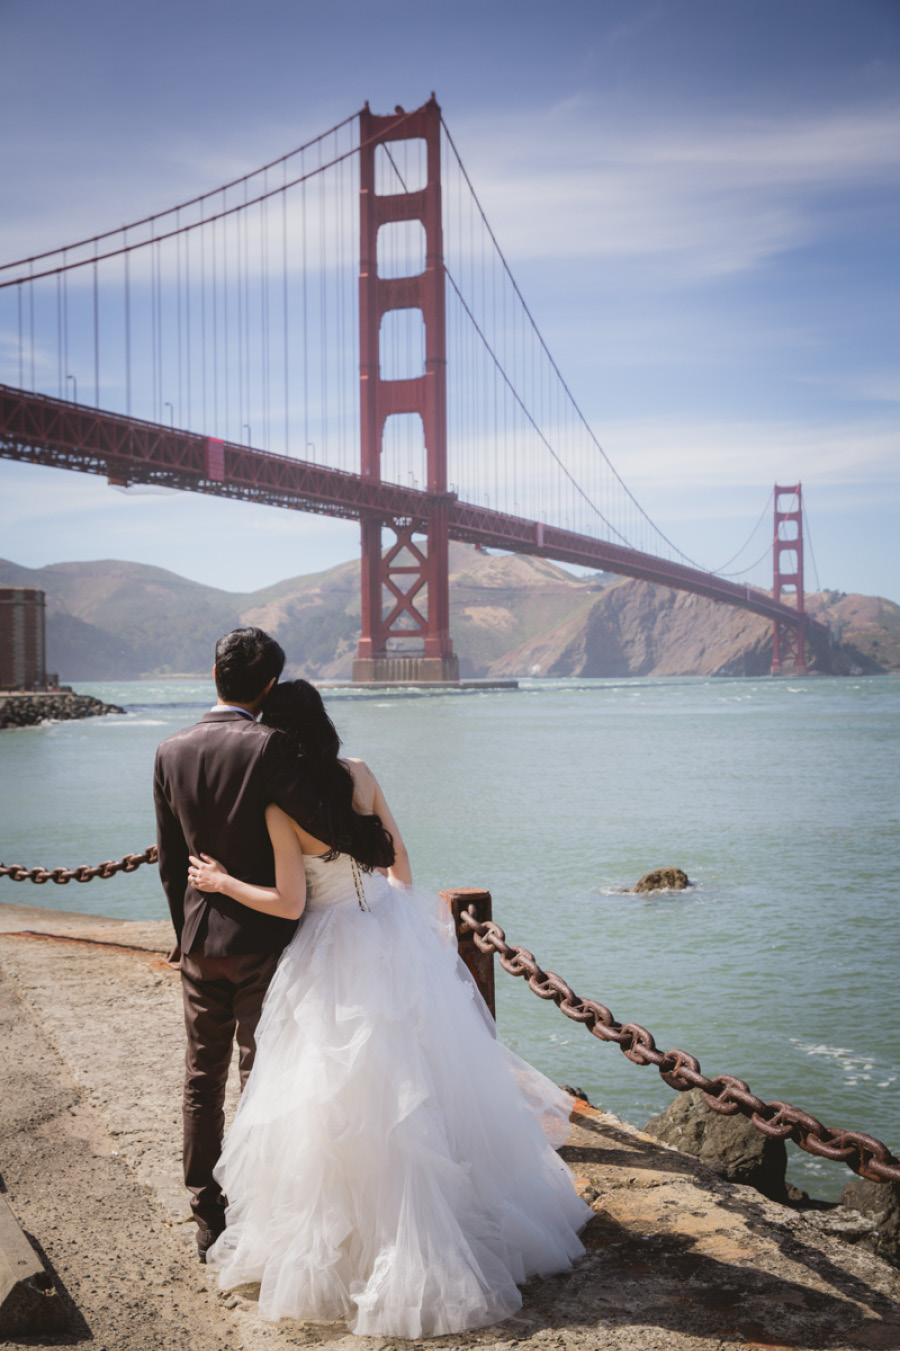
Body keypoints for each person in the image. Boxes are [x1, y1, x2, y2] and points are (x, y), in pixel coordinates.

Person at [187, 678, 592, 1338]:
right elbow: (400, 863)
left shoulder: (278, 804)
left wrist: (220, 880)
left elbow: (291, 904)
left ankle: (349, 1252)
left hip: (324, 947)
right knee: (420, 1086)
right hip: (383, 930)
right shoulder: (362, 773)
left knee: (330, 1097)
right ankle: (446, 1228)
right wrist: (398, 919)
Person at [153, 628, 324, 1263]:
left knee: (202, 1077)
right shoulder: (271, 746)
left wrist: (186, 934)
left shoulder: (170, 750)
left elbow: (172, 862)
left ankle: (207, 1213)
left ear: (214, 672)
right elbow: (314, 823)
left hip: (201, 941)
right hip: (264, 939)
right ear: (270, 686)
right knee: (261, 1073)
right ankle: (256, 1205)